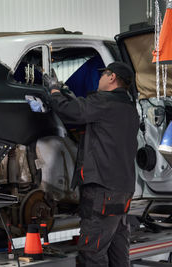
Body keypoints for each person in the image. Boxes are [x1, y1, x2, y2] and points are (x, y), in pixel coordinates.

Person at [44, 62, 139, 266]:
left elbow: (72, 112)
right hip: (123, 190)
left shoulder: (104, 102)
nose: (99, 79)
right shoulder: (130, 108)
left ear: (112, 77)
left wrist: (53, 90)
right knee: (117, 248)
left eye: (103, 75)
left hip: (102, 191)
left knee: (91, 253)